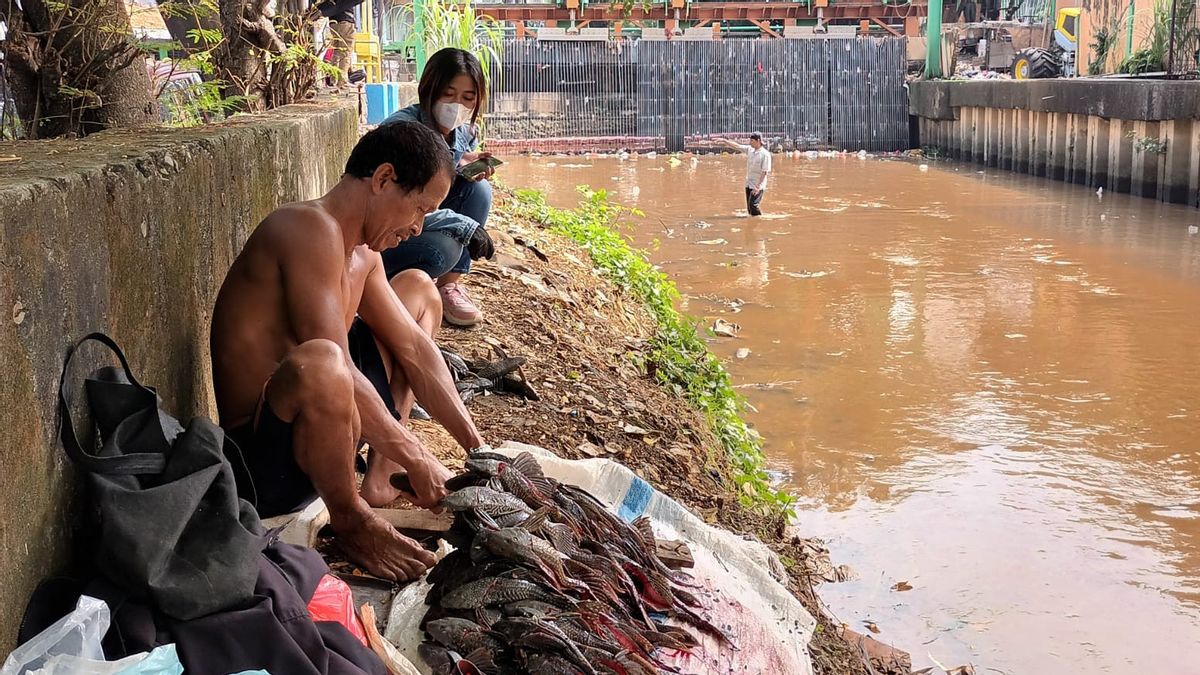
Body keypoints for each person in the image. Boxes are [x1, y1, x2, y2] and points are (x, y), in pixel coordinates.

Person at [210, 121, 486, 582]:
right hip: (265, 464)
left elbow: (416, 352)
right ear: (382, 179)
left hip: (327, 431)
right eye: (419, 209)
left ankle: (379, 478)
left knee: (419, 290)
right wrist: (419, 456)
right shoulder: (304, 226)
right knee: (323, 360)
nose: (418, 228)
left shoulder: (365, 256)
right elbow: (328, 358)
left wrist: (481, 455)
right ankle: (351, 518)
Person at [380, 48, 497, 327]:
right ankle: (394, 282)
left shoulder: (461, 133)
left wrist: (463, 161)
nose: (457, 105)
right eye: (449, 94)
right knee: (444, 249)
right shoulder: (405, 133)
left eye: (468, 98)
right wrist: (464, 225)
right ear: (429, 89)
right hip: (382, 233)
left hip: (414, 222)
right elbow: (398, 205)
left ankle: (448, 287)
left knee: (478, 190)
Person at [310, 0, 365, 90]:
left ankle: (333, 80)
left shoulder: (330, 4)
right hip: (345, 22)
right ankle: (342, 82)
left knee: (336, 52)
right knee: (345, 52)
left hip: (333, 23)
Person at [717, 133, 772, 217]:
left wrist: (758, 187)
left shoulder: (765, 154)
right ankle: (752, 222)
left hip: (758, 184)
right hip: (749, 182)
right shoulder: (750, 150)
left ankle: (760, 219)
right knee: (749, 208)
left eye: (752, 141)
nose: (750, 142)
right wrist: (724, 141)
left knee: (753, 205)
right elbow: (737, 146)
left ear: (758, 141)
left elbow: (765, 172)